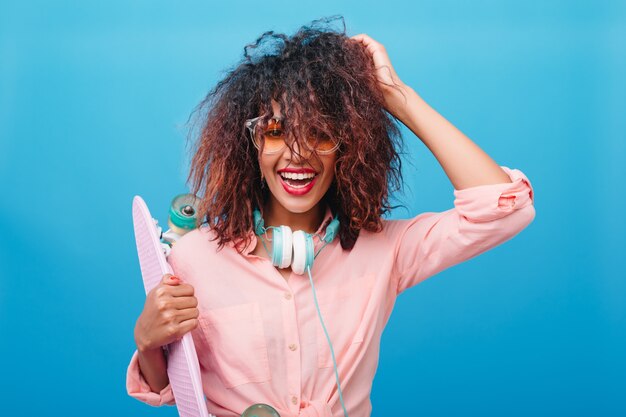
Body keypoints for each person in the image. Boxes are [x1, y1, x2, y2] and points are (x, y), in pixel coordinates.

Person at [126, 16, 536, 417]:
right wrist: (147, 343)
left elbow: (505, 208)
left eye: (320, 133)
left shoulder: (385, 251)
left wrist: (396, 96)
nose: (298, 154)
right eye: (275, 131)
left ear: (349, 146)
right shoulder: (193, 257)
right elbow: (171, 388)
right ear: (248, 144)